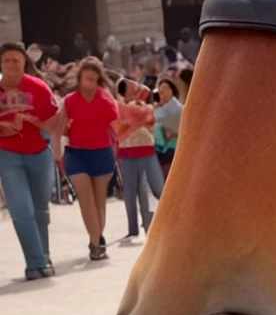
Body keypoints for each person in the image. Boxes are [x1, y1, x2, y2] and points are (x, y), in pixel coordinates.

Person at [0, 40, 58, 280]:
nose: (11, 65)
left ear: (25, 62)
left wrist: (34, 122)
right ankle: (35, 262)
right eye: (6, 61)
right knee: (21, 209)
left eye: (16, 60)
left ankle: (44, 255)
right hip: (7, 154)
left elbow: (55, 122)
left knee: (40, 209)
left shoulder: (39, 88)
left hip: (39, 152)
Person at [56, 58, 119, 260]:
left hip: (101, 153)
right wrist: (59, 145)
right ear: (79, 79)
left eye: (93, 80)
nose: (89, 84)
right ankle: (96, 242)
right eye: (86, 79)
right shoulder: (70, 100)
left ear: (99, 80)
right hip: (76, 154)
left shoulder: (106, 99)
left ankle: (97, 240)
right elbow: (61, 127)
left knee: (99, 202)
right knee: (86, 199)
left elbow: (117, 126)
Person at [114, 79, 165, 241]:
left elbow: (150, 120)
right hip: (126, 153)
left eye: (135, 86)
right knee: (130, 192)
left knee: (152, 189)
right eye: (131, 88)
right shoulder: (119, 108)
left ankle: (150, 227)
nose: (136, 89)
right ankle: (133, 229)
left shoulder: (145, 107)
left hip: (147, 151)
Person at [153, 74, 184, 176]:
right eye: (160, 89)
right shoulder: (159, 108)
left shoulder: (175, 107)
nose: (162, 91)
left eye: (165, 88)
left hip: (172, 147)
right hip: (160, 148)